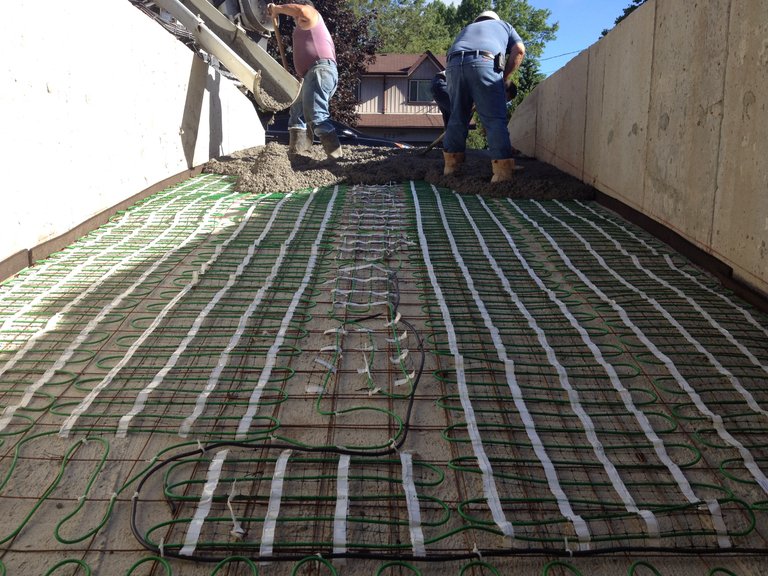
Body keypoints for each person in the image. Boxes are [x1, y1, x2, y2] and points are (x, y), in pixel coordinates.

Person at [443, 10, 525, 182]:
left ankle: (451, 168)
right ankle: (502, 173)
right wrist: (504, 77)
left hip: (453, 65)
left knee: (457, 118)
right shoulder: (504, 26)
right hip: (484, 62)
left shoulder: (467, 29)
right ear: (496, 20)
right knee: (495, 119)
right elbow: (519, 50)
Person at [267, 1, 342, 159]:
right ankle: (297, 153)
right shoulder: (302, 27)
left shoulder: (312, 15)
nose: (296, 19)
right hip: (310, 75)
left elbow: (302, 10)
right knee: (297, 114)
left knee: (316, 115)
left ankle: (336, 157)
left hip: (320, 70)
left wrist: (277, 9)